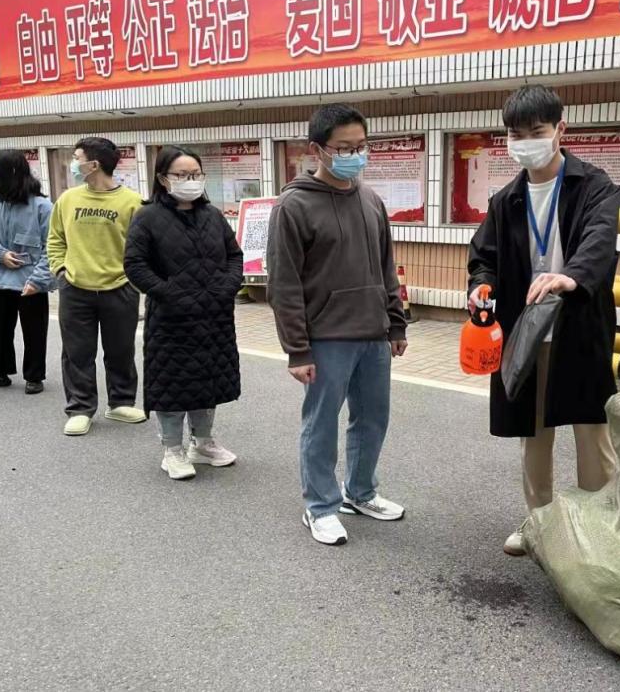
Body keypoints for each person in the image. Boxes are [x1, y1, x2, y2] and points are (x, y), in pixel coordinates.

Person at [468, 85, 619, 557]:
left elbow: (599, 237)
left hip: (578, 327)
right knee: (532, 436)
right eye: (516, 134)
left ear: (560, 130)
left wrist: (572, 276)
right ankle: (540, 524)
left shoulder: (593, 186)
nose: (526, 142)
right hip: (525, 333)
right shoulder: (506, 199)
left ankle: (600, 530)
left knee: (592, 433)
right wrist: (480, 284)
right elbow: (484, 256)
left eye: (536, 131)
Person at [267, 104, 408, 546]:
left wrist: (396, 323)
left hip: (373, 334)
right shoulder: (293, 206)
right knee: (322, 424)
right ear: (317, 150)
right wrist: (297, 349)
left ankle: (360, 492)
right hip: (326, 337)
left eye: (361, 146)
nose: (355, 155)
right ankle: (320, 506)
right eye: (344, 148)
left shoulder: (370, 200)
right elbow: (284, 283)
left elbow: (386, 268)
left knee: (373, 419)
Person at [124, 146, 242, 480]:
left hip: (214, 315)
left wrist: (227, 287)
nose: (191, 180)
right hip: (171, 319)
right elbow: (135, 265)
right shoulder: (147, 217)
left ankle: (202, 443)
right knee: (173, 384)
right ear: (163, 178)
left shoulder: (213, 216)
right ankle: (172, 449)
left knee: (208, 380)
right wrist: (170, 293)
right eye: (182, 175)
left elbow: (235, 256)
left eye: (196, 174)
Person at [47, 137, 146, 436]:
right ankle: (80, 408)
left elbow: (142, 247)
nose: (73, 164)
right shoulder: (68, 199)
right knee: (77, 353)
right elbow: (55, 239)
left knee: (121, 349)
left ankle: (121, 402)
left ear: (94, 164)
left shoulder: (133, 202)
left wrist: (134, 281)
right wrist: (60, 270)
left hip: (120, 287)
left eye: (77, 158)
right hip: (75, 288)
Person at [0, 150, 53, 394]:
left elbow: (53, 246)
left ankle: (34, 376)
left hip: (31, 281)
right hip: (0, 278)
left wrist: (39, 280)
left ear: (10, 173)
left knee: (34, 330)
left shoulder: (42, 206)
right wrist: (0, 253)